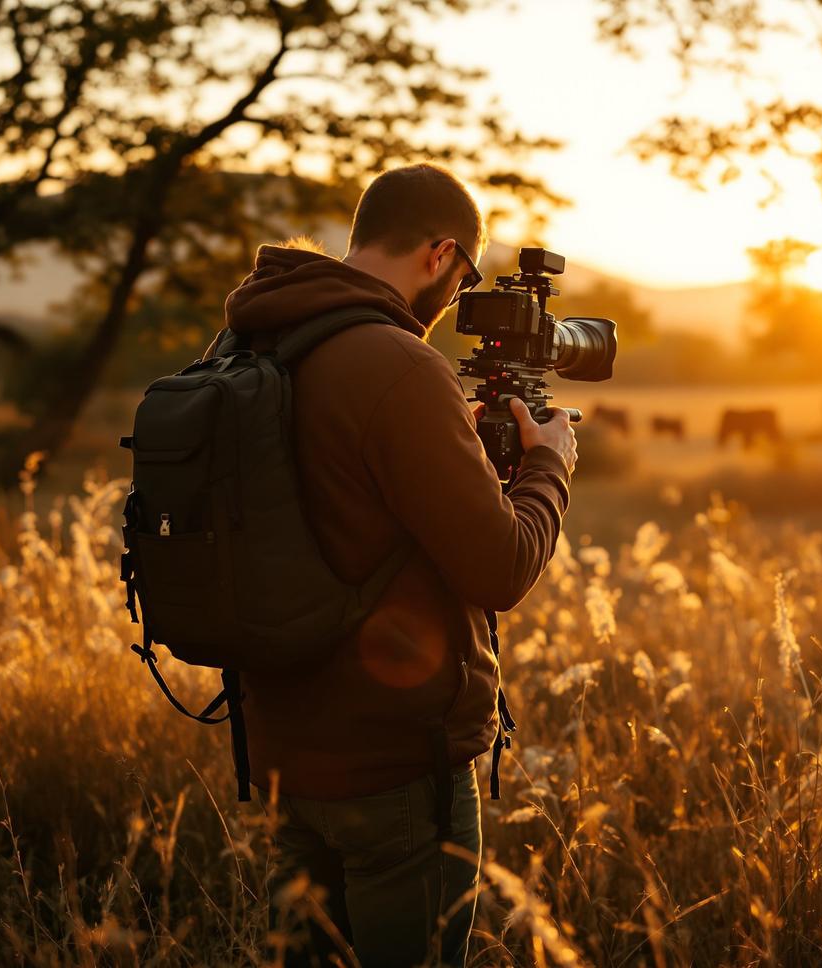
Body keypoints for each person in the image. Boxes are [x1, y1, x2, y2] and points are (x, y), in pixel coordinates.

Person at [208, 162, 577, 966]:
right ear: (441, 253)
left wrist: (460, 456)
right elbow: (504, 568)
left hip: (280, 753)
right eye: (466, 281)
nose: (457, 307)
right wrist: (549, 464)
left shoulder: (253, 338)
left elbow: (332, 504)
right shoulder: (397, 364)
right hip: (396, 770)